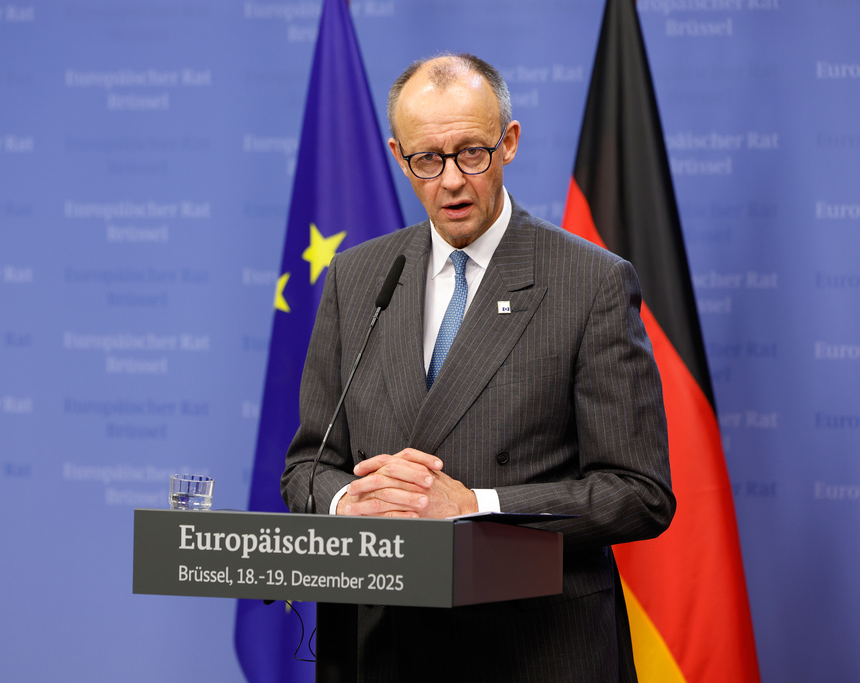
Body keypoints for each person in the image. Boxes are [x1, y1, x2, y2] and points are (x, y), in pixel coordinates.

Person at [281, 53, 675, 682]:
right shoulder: (356, 278)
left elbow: (640, 494)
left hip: (536, 648)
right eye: (427, 160)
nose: (452, 181)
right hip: (387, 645)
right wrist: (351, 502)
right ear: (398, 155)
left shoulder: (591, 281)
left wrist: (473, 505)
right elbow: (306, 467)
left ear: (508, 143)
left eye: (472, 153)